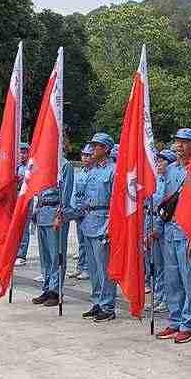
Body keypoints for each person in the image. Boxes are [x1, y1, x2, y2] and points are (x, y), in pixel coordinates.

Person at [58, 133, 116, 322]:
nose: (92, 149)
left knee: (104, 268)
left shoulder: (113, 171)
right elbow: (81, 199)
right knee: (93, 267)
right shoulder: (90, 172)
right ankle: (98, 301)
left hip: (103, 222)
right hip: (87, 222)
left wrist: (110, 226)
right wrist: (67, 214)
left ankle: (108, 305)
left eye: (97, 146)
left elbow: (117, 202)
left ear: (106, 149)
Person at [155, 129, 191, 344]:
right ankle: (174, 320)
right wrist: (157, 226)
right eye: (178, 142)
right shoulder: (172, 169)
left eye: (185, 143)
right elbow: (165, 201)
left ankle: (187, 324)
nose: (180, 146)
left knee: (190, 280)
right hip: (170, 231)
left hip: (188, 231)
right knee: (172, 279)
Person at [29, 152, 75, 307]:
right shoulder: (43, 164)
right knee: (45, 256)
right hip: (42, 213)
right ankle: (47, 287)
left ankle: (56, 290)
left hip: (55, 212)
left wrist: (60, 215)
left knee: (57, 255)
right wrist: (36, 211)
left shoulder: (65, 165)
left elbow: (66, 194)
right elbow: (39, 192)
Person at [146, 149, 177, 314]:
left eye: (162, 160)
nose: (158, 163)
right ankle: (158, 296)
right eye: (157, 160)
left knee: (167, 266)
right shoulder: (156, 180)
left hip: (165, 225)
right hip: (152, 221)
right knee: (156, 265)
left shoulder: (170, 183)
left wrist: (158, 226)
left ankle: (166, 298)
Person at [66, 145, 94, 281]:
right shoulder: (80, 172)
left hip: (89, 212)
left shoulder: (94, 172)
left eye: (88, 155)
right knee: (81, 241)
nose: (85, 158)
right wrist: (73, 209)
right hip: (79, 212)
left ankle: (88, 268)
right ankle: (80, 266)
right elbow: (74, 193)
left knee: (88, 241)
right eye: (83, 155)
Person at [15, 143, 32, 266]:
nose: (21, 155)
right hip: (15, 197)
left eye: (24, 152)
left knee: (24, 226)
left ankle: (22, 253)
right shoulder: (16, 166)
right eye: (20, 152)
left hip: (26, 198)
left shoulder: (30, 167)